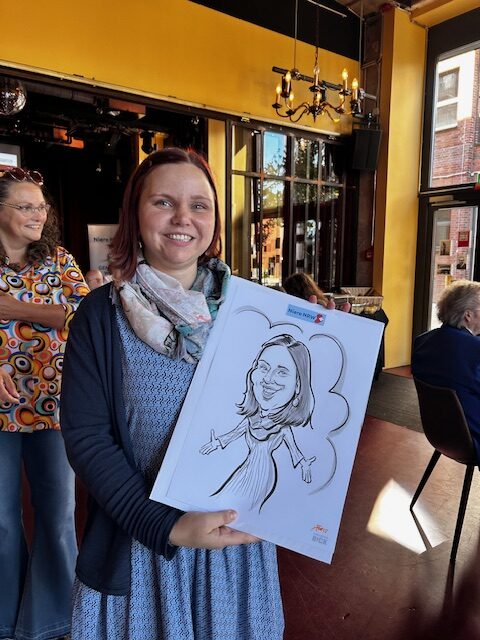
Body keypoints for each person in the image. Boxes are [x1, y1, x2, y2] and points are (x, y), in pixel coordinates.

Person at [60, 148, 286, 640]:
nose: (183, 217)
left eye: (199, 205)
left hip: (233, 543)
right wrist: (166, 526)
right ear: (134, 215)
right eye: (163, 202)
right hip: (138, 538)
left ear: (214, 221)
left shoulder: (255, 312)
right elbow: (87, 439)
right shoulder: (99, 316)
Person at [0, 165, 89, 640]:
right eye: (25, 206)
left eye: (41, 206)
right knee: (1, 522)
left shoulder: (58, 260)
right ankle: (5, 619)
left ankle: (56, 620)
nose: (38, 214)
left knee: (57, 517)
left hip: (53, 405)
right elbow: (60, 315)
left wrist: (12, 308)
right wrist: (48, 315)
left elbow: (82, 314)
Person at [200, 334, 316, 512]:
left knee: (245, 507)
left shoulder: (283, 429)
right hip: (247, 468)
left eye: (282, 372)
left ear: (298, 385)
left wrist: (304, 464)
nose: (268, 379)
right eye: (263, 367)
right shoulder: (251, 419)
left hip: (263, 473)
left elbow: (294, 451)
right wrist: (217, 443)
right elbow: (233, 434)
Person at [412, 279, 480, 462]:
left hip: (440, 434)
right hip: (473, 438)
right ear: (468, 315)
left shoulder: (422, 342)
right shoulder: (475, 350)